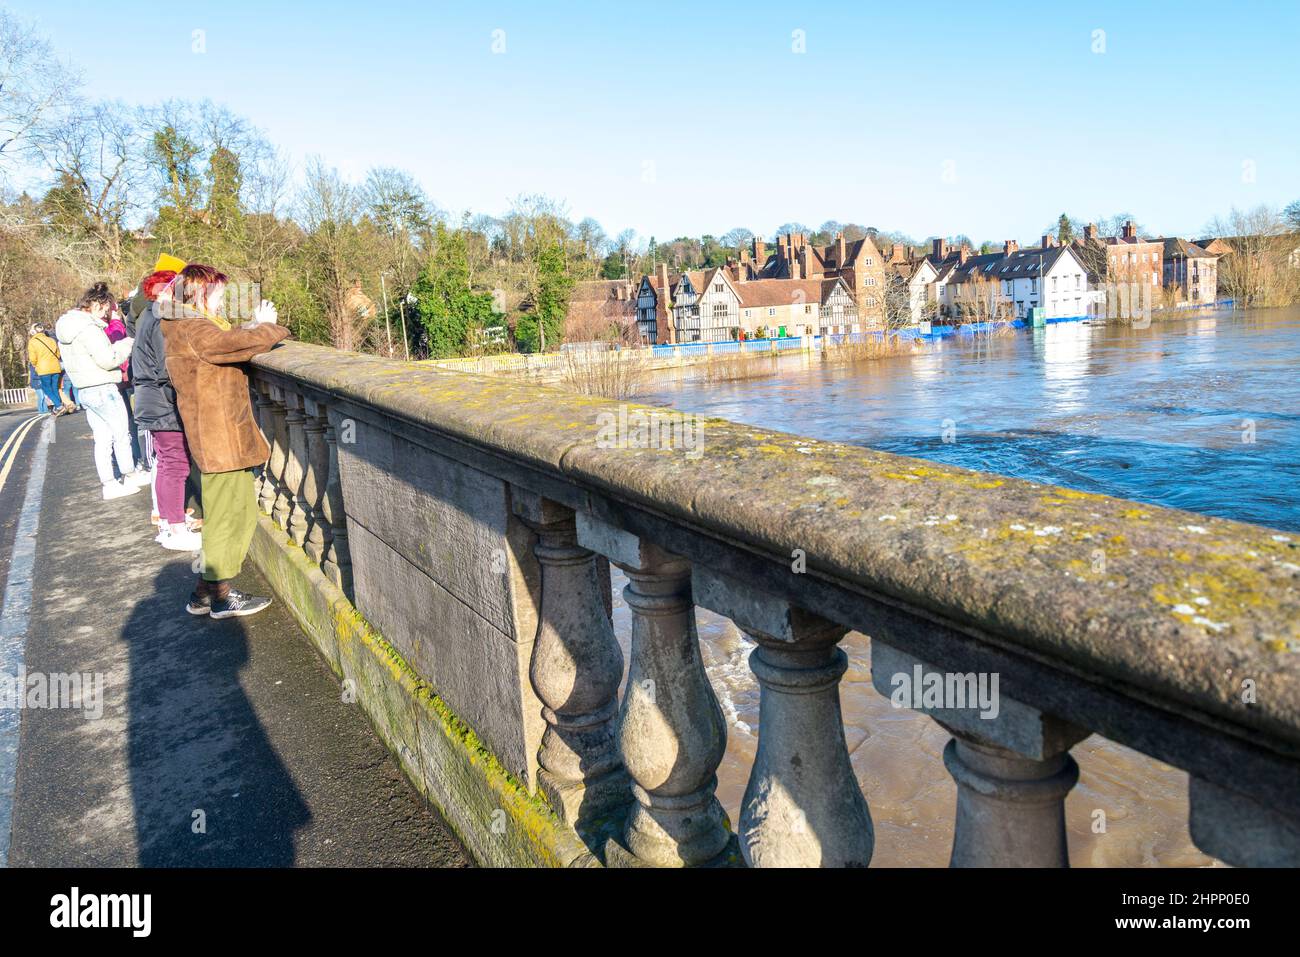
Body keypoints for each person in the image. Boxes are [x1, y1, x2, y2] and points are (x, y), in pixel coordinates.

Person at [161, 264, 288, 619]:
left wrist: (248, 327)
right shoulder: (192, 326)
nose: (222, 298)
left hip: (214, 437)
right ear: (200, 293)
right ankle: (221, 597)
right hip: (220, 440)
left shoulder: (182, 324)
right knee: (230, 517)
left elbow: (219, 342)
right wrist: (264, 327)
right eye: (217, 292)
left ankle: (202, 595)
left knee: (228, 514)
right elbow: (226, 344)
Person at [54, 282, 152, 500]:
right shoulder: (88, 328)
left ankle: (109, 483)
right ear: (97, 305)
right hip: (103, 387)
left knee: (102, 438)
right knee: (121, 434)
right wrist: (126, 344)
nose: (107, 315)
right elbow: (108, 359)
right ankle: (129, 475)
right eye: (106, 310)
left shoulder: (67, 327)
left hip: (85, 390)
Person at [131, 268, 203, 550]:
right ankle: (174, 529)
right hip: (162, 402)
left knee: (166, 463)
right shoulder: (160, 317)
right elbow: (168, 367)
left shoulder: (148, 314)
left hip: (152, 400)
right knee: (175, 464)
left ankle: (168, 524)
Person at [27, 323, 71, 416]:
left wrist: (36, 366)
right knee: (54, 388)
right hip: (55, 367)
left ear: (33, 331)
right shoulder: (51, 340)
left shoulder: (32, 342)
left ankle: (59, 406)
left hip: (43, 369)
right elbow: (58, 354)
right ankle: (57, 407)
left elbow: (33, 358)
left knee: (46, 388)